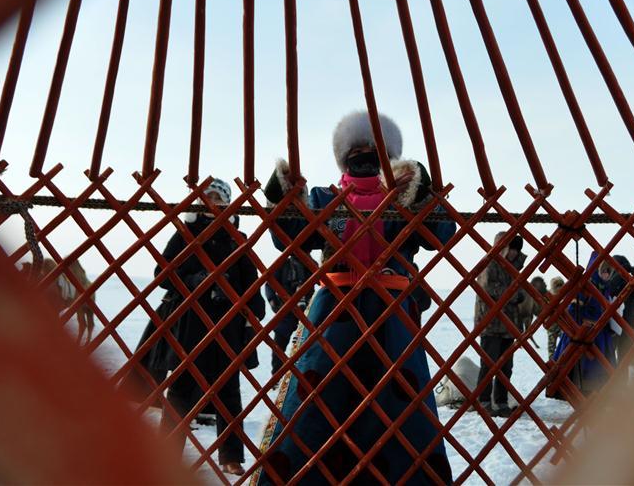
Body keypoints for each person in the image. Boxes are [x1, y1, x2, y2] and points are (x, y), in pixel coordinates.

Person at [256, 111, 456, 484]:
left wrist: (421, 192)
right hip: (335, 311)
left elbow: (441, 234)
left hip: (391, 316)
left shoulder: (402, 200)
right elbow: (287, 234)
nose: (364, 154)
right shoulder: (324, 199)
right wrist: (283, 192)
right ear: (344, 156)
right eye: (356, 149)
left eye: (372, 149)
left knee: (398, 402)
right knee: (319, 400)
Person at [133, 179, 263, 476]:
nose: (212, 202)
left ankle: (231, 456)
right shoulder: (184, 236)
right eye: (208, 197)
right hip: (190, 323)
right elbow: (162, 274)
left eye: (218, 198)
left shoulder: (236, 240)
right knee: (181, 389)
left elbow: (251, 285)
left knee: (228, 391)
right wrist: (196, 281)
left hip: (226, 324)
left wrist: (251, 316)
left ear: (227, 205)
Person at [549, 253, 618, 398]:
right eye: (604, 270)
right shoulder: (585, 287)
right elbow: (573, 310)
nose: (606, 274)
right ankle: (579, 391)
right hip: (584, 332)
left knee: (601, 365)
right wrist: (585, 322)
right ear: (597, 270)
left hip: (601, 334)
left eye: (608, 271)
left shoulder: (605, 289)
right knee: (580, 364)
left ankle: (598, 392)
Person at [473, 232, 527, 417]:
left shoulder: (514, 267)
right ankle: (484, 402)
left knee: (506, 367)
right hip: (491, 323)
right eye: (511, 248)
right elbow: (488, 289)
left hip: (509, 324)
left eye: (516, 249)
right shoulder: (489, 264)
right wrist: (514, 294)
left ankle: (501, 402)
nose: (514, 253)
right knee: (488, 365)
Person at [264, 255, 314, 375]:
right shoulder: (283, 264)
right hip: (286, 310)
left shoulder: (309, 264)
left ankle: (303, 374)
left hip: (305, 310)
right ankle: (277, 375)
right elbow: (269, 283)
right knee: (279, 345)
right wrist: (274, 302)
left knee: (305, 344)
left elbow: (320, 278)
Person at [546, 276, 565, 359]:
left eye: (561, 285)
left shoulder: (565, 297)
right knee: (551, 346)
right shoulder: (549, 296)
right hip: (552, 324)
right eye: (557, 285)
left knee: (563, 343)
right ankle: (551, 361)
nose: (559, 288)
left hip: (562, 324)